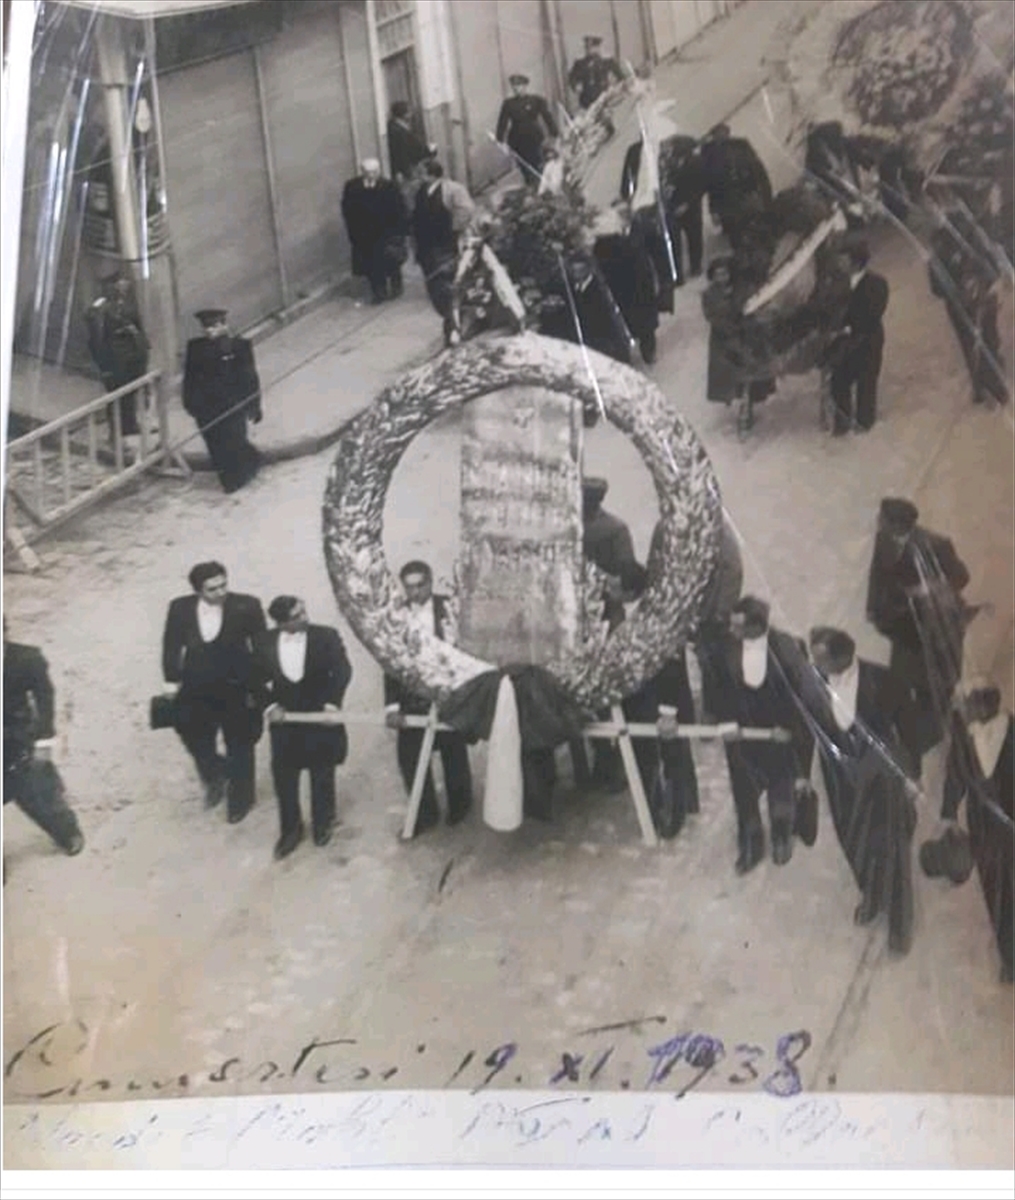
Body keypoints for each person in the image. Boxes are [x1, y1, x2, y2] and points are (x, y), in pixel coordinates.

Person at [806, 627, 919, 955]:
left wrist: (913, 776)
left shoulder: (884, 681)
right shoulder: (814, 680)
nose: (815, 665)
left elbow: (909, 729)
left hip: (881, 779)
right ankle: (872, 894)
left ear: (843, 658)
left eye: (822, 660)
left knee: (892, 848)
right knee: (853, 841)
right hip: (839, 778)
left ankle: (900, 925)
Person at [865, 497, 971, 781]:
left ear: (899, 525)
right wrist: (875, 609)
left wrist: (925, 589)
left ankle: (934, 744)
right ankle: (910, 759)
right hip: (906, 631)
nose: (878, 523)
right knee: (902, 688)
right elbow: (879, 577)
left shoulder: (936, 545)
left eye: (883, 519)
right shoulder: (885, 541)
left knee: (936, 688)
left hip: (939, 631)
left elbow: (961, 578)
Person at [709, 596, 815, 874]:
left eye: (739, 626)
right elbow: (716, 688)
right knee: (743, 789)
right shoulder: (724, 649)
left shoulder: (787, 649)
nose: (732, 631)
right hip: (741, 733)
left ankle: (782, 834)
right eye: (732, 625)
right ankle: (751, 842)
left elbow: (801, 697)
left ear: (758, 626)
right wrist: (725, 722)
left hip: (777, 732)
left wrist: (789, 728)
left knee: (781, 783)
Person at [161, 562, 266, 823]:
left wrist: (259, 686)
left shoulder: (247, 606)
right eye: (212, 589)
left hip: (236, 685)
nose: (221, 593)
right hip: (196, 685)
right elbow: (171, 645)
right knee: (195, 737)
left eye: (223, 585)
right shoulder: (180, 608)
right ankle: (216, 776)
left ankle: (241, 799)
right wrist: (171, 681)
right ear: (198, 590)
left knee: (240, 743)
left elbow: (261, 647)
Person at [255, 596, 352, 861]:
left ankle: (323, 822)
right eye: (297, 616)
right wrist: (269, 706)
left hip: (320, 716)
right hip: (286, 722)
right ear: (281, 623)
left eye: (304, 611)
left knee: (322, 771)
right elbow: (254, 679)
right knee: (285, 777)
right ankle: (290, 830)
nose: (305, 618)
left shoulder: (326, 636)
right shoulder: (263, 642)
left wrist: (332, 704)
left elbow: (342, 670)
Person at [384, 561, 473, 834]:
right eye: (409, 587)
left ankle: (460, 807)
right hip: (412, 698)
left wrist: (460, 690)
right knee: (410, 758)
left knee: (453, 752)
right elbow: (390, 661)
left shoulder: (451, 607)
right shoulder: (395, 615)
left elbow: (467, 650)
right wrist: (392, 706)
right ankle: (425, 814)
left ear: (431, 582)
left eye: (420, 585)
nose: (415, 592)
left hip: (448, 694)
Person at [933, 684, 1013, 981]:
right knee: (995, 889)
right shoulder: (965, 735)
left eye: (967, 707)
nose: (963, 712)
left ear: (985, 708)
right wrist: (948, 814)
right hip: (983, 829)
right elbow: (955, 774)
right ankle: (1011, 958)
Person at [581, 477, 649, 790]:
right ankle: (608, 759)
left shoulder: (600, 529)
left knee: (603, 690)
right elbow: (628, 571)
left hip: (599, 617)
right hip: (603, 615)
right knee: (606, 691)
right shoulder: (616, 529)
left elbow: (626, 576)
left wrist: (592, 578)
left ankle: (609, 761)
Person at [3, 622, 85, 863]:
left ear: (4, 632)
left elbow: (45, 698)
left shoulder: (26, 659)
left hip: (18, 737)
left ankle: (67, 833)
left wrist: (43, 739)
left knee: (38, 790)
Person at [928, 206, 1010, 407]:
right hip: (963, 305)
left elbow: (991, 266)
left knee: (984, 342)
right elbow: (937, 286)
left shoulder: (969, 240)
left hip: (979, 300)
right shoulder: (940, 248)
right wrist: (958, 291)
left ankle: (990, 386)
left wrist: (980, 284)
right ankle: (986, 387)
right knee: (978, 343)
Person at [182, 308, 263, 494]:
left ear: (224, 325)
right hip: (206, 408)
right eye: (206, 327)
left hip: (232, 406)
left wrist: (254, 405)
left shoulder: (239, 346)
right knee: (215, 445)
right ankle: (233, 473)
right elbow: (190, 379)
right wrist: (190, 404)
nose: (210, 330)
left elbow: (250, 378)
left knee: (234, 441)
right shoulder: (196, 348)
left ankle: (237, 477)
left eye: (214, 326)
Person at [701, 257, 775, 431]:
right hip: (724, 341)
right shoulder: (710, 295)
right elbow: (714, 317)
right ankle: (742, 405)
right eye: (718, 274)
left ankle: (748, 405)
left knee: (749, 374)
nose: (722, 277)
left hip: (745, 338)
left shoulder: (740, 290)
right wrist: (732, 328)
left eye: (724, 273)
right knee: (733, 376)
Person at [827, 239, 889, 434]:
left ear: (855, 262)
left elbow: (871, 314)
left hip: (867, 341)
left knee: (866, 383)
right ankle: (842, 424)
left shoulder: (876, 283)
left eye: (843, 259)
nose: (839, 263)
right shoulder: (838, 284)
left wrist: (847, 326)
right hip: (847, 342)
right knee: (838, 380)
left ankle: (865, 423)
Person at [85, 270, 150, 454]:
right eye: (121, 282)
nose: (125, 285)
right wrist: (103, 365)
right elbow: (96, 337)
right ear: (112, 286)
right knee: (116, 398)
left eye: (126, 282)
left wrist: (142, 351)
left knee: (129, 394)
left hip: (132, 358)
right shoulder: (101, 306)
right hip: (114, 360)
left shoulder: (127, 303)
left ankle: (130, 426)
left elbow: (138, 327)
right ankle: (115, 436)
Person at [413, 159, 475, 347]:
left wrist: (453, 230)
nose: (418, 176)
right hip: (426, 248)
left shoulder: (453, 190)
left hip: (446, 246)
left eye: (422, 173)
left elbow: (466, 210)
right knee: (434, 287)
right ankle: (451, 321)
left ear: (432, 174)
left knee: (447, 288)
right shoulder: (421, 191)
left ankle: (453, 327)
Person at [539, 252, 634, 364]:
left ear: (589, 269)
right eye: (573, 270)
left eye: (580, 270)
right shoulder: (574, 287)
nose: (575, 273)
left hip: (604, 344)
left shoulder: (598, 292)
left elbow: (598, 320)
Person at [593, 214, 660, 364]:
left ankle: (646, 351)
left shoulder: (637, 230)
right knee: (635, 321)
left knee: (642, 321)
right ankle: (642, 351)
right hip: (625, 286)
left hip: (634, 285)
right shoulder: (611, 241)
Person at [341, 158, 408, 305]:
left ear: (379, 171)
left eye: (374, 172)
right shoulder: (352, 187)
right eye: (368, 172)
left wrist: (399, 232)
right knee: (372, 264)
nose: (371, 175)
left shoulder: (390, 187)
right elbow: (348, 209)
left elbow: (399, 209)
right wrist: (354, 231)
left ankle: (396, 286)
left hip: (386, 232)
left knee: (391, 260)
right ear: (362, 172)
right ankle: (379, 292)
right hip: (365, 234)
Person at [700, 124, 772, 252]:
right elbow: (710, 183)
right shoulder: (708, 153)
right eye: (717, 133)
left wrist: (766, 198)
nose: (722, 136)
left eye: (724, 132)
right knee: (736, 234)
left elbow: (758, 171)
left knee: (755, 225)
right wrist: (714, 210)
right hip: (727, 201)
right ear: (713, 135)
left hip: (746, 194)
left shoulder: (741, 146)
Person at [495, 74, 559, 188]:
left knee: (537, 164)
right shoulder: (508, 104)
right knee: (524, 166)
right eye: (514, 86)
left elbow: (547, 116)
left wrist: (554, 133)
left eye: (519, 85)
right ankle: (530, 185)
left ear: (525, 86)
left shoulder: (536, 100)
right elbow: (502, 122)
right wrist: (500, 140)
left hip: (534, 138)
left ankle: (541, 185)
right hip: (517, 140)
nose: (516, 88)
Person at [387, 101, 434, 195]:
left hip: (408, 168)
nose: (412, 114)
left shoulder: (398, 127)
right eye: (410, 112)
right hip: (408, 169)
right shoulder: (397, 130)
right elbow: (400, 152)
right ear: (405, 114)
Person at [568, 34, 622, 111]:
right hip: (586, 101)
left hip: (604, 99)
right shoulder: (580, 63)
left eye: (592, 47)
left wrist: (614, 89)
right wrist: (576, 87)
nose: (589, 50)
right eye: (587, 48)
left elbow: (620, 76)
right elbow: (572, 78)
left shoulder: (607, 61)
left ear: (598, 47)